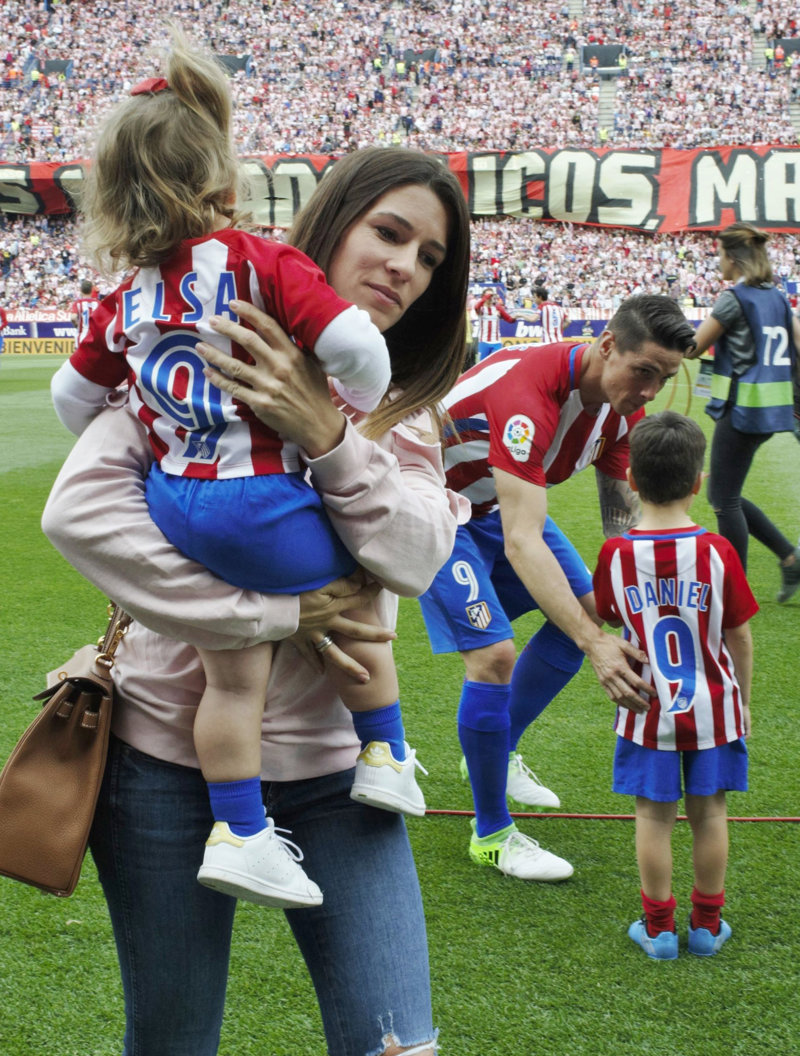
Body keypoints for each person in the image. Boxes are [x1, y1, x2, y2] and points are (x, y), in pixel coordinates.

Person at [41, 142, 471, 1056]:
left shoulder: (399, 403)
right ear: (333, 225)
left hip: (343, 773)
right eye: (389, 233)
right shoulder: (200, 350)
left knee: (399, 1044)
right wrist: (272, 617)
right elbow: (78, 514)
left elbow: (415, 557)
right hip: (163, 762)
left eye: (430, 257)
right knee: (173, 1042)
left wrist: (326, 433)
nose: (406, 266)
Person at [49, 35, 421, 909]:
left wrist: (148, 415)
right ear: (223, 183)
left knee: (231, 677)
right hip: (260, 500)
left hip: (179, 501)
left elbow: (73, 398)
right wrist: (346, 407)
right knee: (358, 594)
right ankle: (384, 752)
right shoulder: (262, 261)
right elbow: (357, 350)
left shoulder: (125, 297)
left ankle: (241, 831)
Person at [418, 295, 697, 882]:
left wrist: (652, 599)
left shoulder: (620, 410)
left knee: (595, 610)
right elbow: (523, 541)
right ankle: (491, 835)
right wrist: (596, 646)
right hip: (434, 509)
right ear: (606, 345)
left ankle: (496, 753)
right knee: (494, 656)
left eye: (664, 378)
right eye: (643, 371)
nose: (650, 391)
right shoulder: (528, 392)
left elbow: (622, 519)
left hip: (495, 505)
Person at [593, 411, 757, 959]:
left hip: (648, 713)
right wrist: (742, 701)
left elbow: (610, 617)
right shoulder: (718, 551)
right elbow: (739, 636)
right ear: (698, 483)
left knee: (652, 818)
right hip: (713, 709)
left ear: (631, 481)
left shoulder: (615, 554)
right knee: (710, 814)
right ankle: (707, 927)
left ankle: (659, 930)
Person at [687, 222, 800, 603]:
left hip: (742, 408)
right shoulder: (777, 297)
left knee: (723, 499)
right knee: (726, 492)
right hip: (771, 408)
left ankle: (734, 589)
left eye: (720, 254)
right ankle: (789, 558)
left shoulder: (733, 299)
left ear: (733, 257)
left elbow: (693, 348)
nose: (718, 262)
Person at [473, 287, 519, 359]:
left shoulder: (498, 308)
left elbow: (509, 320)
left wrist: (517, 316)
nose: (490, 297)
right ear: (483, 297)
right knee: (483, 363)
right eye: (488, 296)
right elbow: (476, 307)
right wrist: (487, 296)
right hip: (484, 341)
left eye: (492, 295)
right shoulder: (481, 308)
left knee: (497, 362)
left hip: (496, 342)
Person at [68, 277, 101, 346]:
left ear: (81, 290)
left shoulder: (78, 303)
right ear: (92, 290)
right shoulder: (98, 303)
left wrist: (76, 325)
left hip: (82, 338)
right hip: (95, 339)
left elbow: (73, 317)